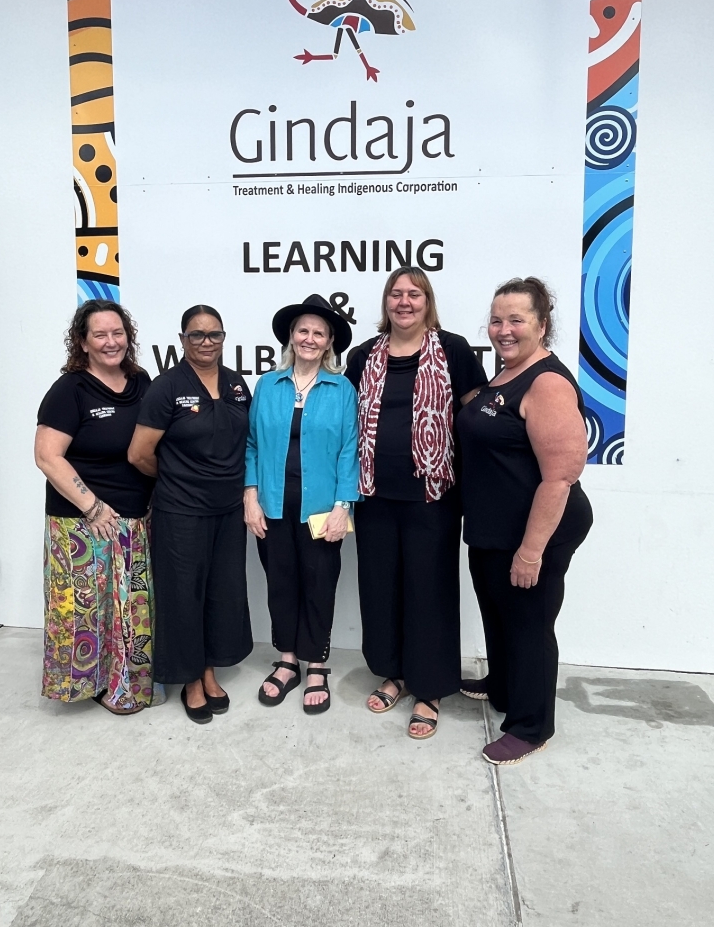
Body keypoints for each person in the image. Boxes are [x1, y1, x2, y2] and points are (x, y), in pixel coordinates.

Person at [345, 267, 486, 739]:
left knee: (429, 593)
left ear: (428, 301)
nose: (404, 302)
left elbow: (475, 416)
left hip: (434, 497)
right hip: (374, 496)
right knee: (381, 590)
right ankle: (395, 673)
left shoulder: (453, 350)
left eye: (414, 294)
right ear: (385, 302)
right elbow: (347, 422)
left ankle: (428, 689)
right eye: (396, 294)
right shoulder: (363, 355)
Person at [457, 277, 593, 765]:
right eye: (497, 320)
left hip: (538, 530)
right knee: (497, 610)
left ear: (542, 324)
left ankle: (531, 724)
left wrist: (531, 551)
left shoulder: (548, 383)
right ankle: (502, 686)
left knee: (530, 623)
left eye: (516, 319)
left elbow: (559, 478)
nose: (503, 329)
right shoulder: (503, 377)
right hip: (495, 526)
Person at [128, 305, 253, 725]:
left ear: (223, 338)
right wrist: (183, 478)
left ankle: (209, 669)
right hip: (180, 512)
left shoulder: (236, 385)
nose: (206, 342)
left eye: (214, 334)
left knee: (223, 592)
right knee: (183, 597)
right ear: (182, 340)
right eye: (196, 335)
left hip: (228, 511)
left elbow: (244, 443)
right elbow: (139, 454)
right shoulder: (166, 388)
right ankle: (189, 681)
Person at [35, 300, 155, 714]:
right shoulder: (70, 389)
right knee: (87, 610)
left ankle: (125, 683)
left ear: (129, 336)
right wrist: (93, 507)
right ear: (82, 342)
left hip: (136, 519)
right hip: (82, 524)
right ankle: (90, 685)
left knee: (129, 609)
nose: (111, 342)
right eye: (100, 335)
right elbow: (48, 455)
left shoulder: (142, 382)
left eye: (117, 333)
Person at [244, 295, 358, 714]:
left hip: (322, 510)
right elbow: (252, 445)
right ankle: (287, 660)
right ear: (291, 337)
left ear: (329, 343)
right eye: (303, 330)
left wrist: (346, 505)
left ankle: (317, 665)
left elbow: (350, 450)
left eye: (319, 333)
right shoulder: (268, 386)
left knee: (319, 583)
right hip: (272, 506)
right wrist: (250, 497)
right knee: (281, 582)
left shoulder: (341, 389)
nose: (310, 338)